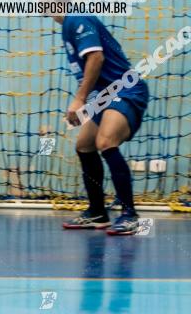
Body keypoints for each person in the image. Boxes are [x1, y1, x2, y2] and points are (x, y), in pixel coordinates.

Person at [55, 14, 148, 235]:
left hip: (126, 89)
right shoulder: (68, 25)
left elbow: (96, 57)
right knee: (84, 145)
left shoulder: (77, 19)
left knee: (105, 141)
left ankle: (130, 215)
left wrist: (79, 99)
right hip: (104, 97)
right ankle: (97, 213)